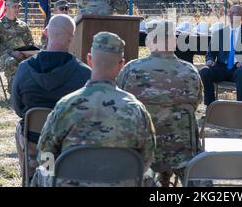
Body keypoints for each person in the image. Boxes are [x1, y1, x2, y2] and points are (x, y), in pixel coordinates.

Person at [31, 31, 156, 187]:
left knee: (39, 174)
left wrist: (53, 179)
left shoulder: (66, 105)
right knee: (150, 176)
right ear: (121, 65)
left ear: (89, 60)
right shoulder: (136, 110)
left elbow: (44, 155)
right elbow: (147, 158)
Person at [117, 20, 202, 187]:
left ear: (149, 41)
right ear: (174, 41)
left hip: (141, 153)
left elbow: (122, 106)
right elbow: (195, 104)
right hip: (183, 153)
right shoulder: (190, 71)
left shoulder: (131, 69)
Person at [11, 14, 91, 177]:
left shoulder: (24, 69)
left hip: (34, 145)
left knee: (22, 125)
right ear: (72, 37)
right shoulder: (85, 74)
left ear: (45, 33)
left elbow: (18, 108)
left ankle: (31, 176)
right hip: (69, 149)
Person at [199, 5, 242, 106]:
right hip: (222, 68)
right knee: (204, 71)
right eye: (229, 12)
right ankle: (211, 106)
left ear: (241, 17)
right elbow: (210, 53)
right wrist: (210, 60)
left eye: (233, 13)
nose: (229, 14)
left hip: (239, 68)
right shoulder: (219, 33)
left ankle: (241, 107)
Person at [0, 0, 34, 92]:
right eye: (14, 7)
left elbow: (30, 43)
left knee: (38, 60)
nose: (17, 9)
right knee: (12, 61)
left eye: (19, 7)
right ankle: (14, 91)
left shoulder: (23, 25)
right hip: (5, 56)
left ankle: (33, 91)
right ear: (7, 7)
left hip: (23, 54)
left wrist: (25, 53)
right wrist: (11, 52)